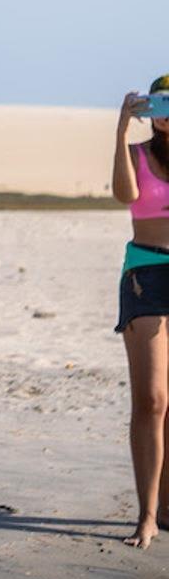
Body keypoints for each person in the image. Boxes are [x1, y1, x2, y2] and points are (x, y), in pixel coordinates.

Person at [113, 75, 169, 549]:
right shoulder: (136, 155)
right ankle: (147, 515)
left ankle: (166, 505)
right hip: (145, 275)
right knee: (151, 399)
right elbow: (125, 196)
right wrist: (120, 130)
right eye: (161, 103)